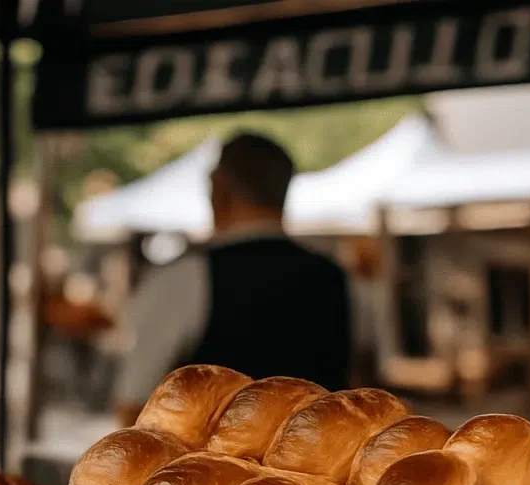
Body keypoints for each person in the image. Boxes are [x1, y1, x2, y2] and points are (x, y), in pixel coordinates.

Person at [111, 132, 353, 425]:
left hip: (207, 468)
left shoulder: (185, 277)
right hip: (316, 465)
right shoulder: (338, 278)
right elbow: (358, 386)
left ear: (218, 190)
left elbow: (134, 402)